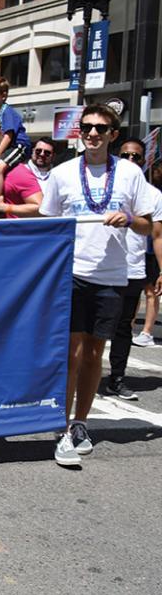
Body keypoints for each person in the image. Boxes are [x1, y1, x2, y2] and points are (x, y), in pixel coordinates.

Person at [39, 104, 155, 467]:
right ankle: (61, 426)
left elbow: (149, 226)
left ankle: (80, 423)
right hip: (70, 272)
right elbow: (47, 225)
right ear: (79, 132)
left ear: (112, 135)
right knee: (71, 352)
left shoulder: (131, 174)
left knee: (93, 353)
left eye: (101, 129)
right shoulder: (61, 173)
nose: (92, 134)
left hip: (112, 276)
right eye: (87, 127)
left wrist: (131, 219)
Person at [103, 138, 162, 401]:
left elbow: (158, 235)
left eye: (135, 156)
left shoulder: (154, 195)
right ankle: (81, 375)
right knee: (89, 328)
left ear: (144, 160)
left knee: (123, 328)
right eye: (125, 155)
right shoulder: (104, 186)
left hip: (133, 270)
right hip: (98, 269)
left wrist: (161, 270)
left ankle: (116, 377)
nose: (130, 160)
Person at [0, 76, 31, 199]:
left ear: (3, 96)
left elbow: (8, 136)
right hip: (7, 148)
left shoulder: (7, 112)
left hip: (18, 146)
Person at [134, 157, 162, 347]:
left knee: (151, 292)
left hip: (151, 250)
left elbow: (158, 233)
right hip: (134, 249)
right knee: (133, 293)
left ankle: (147, 332)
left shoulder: (155, 194)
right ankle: (129, 326)